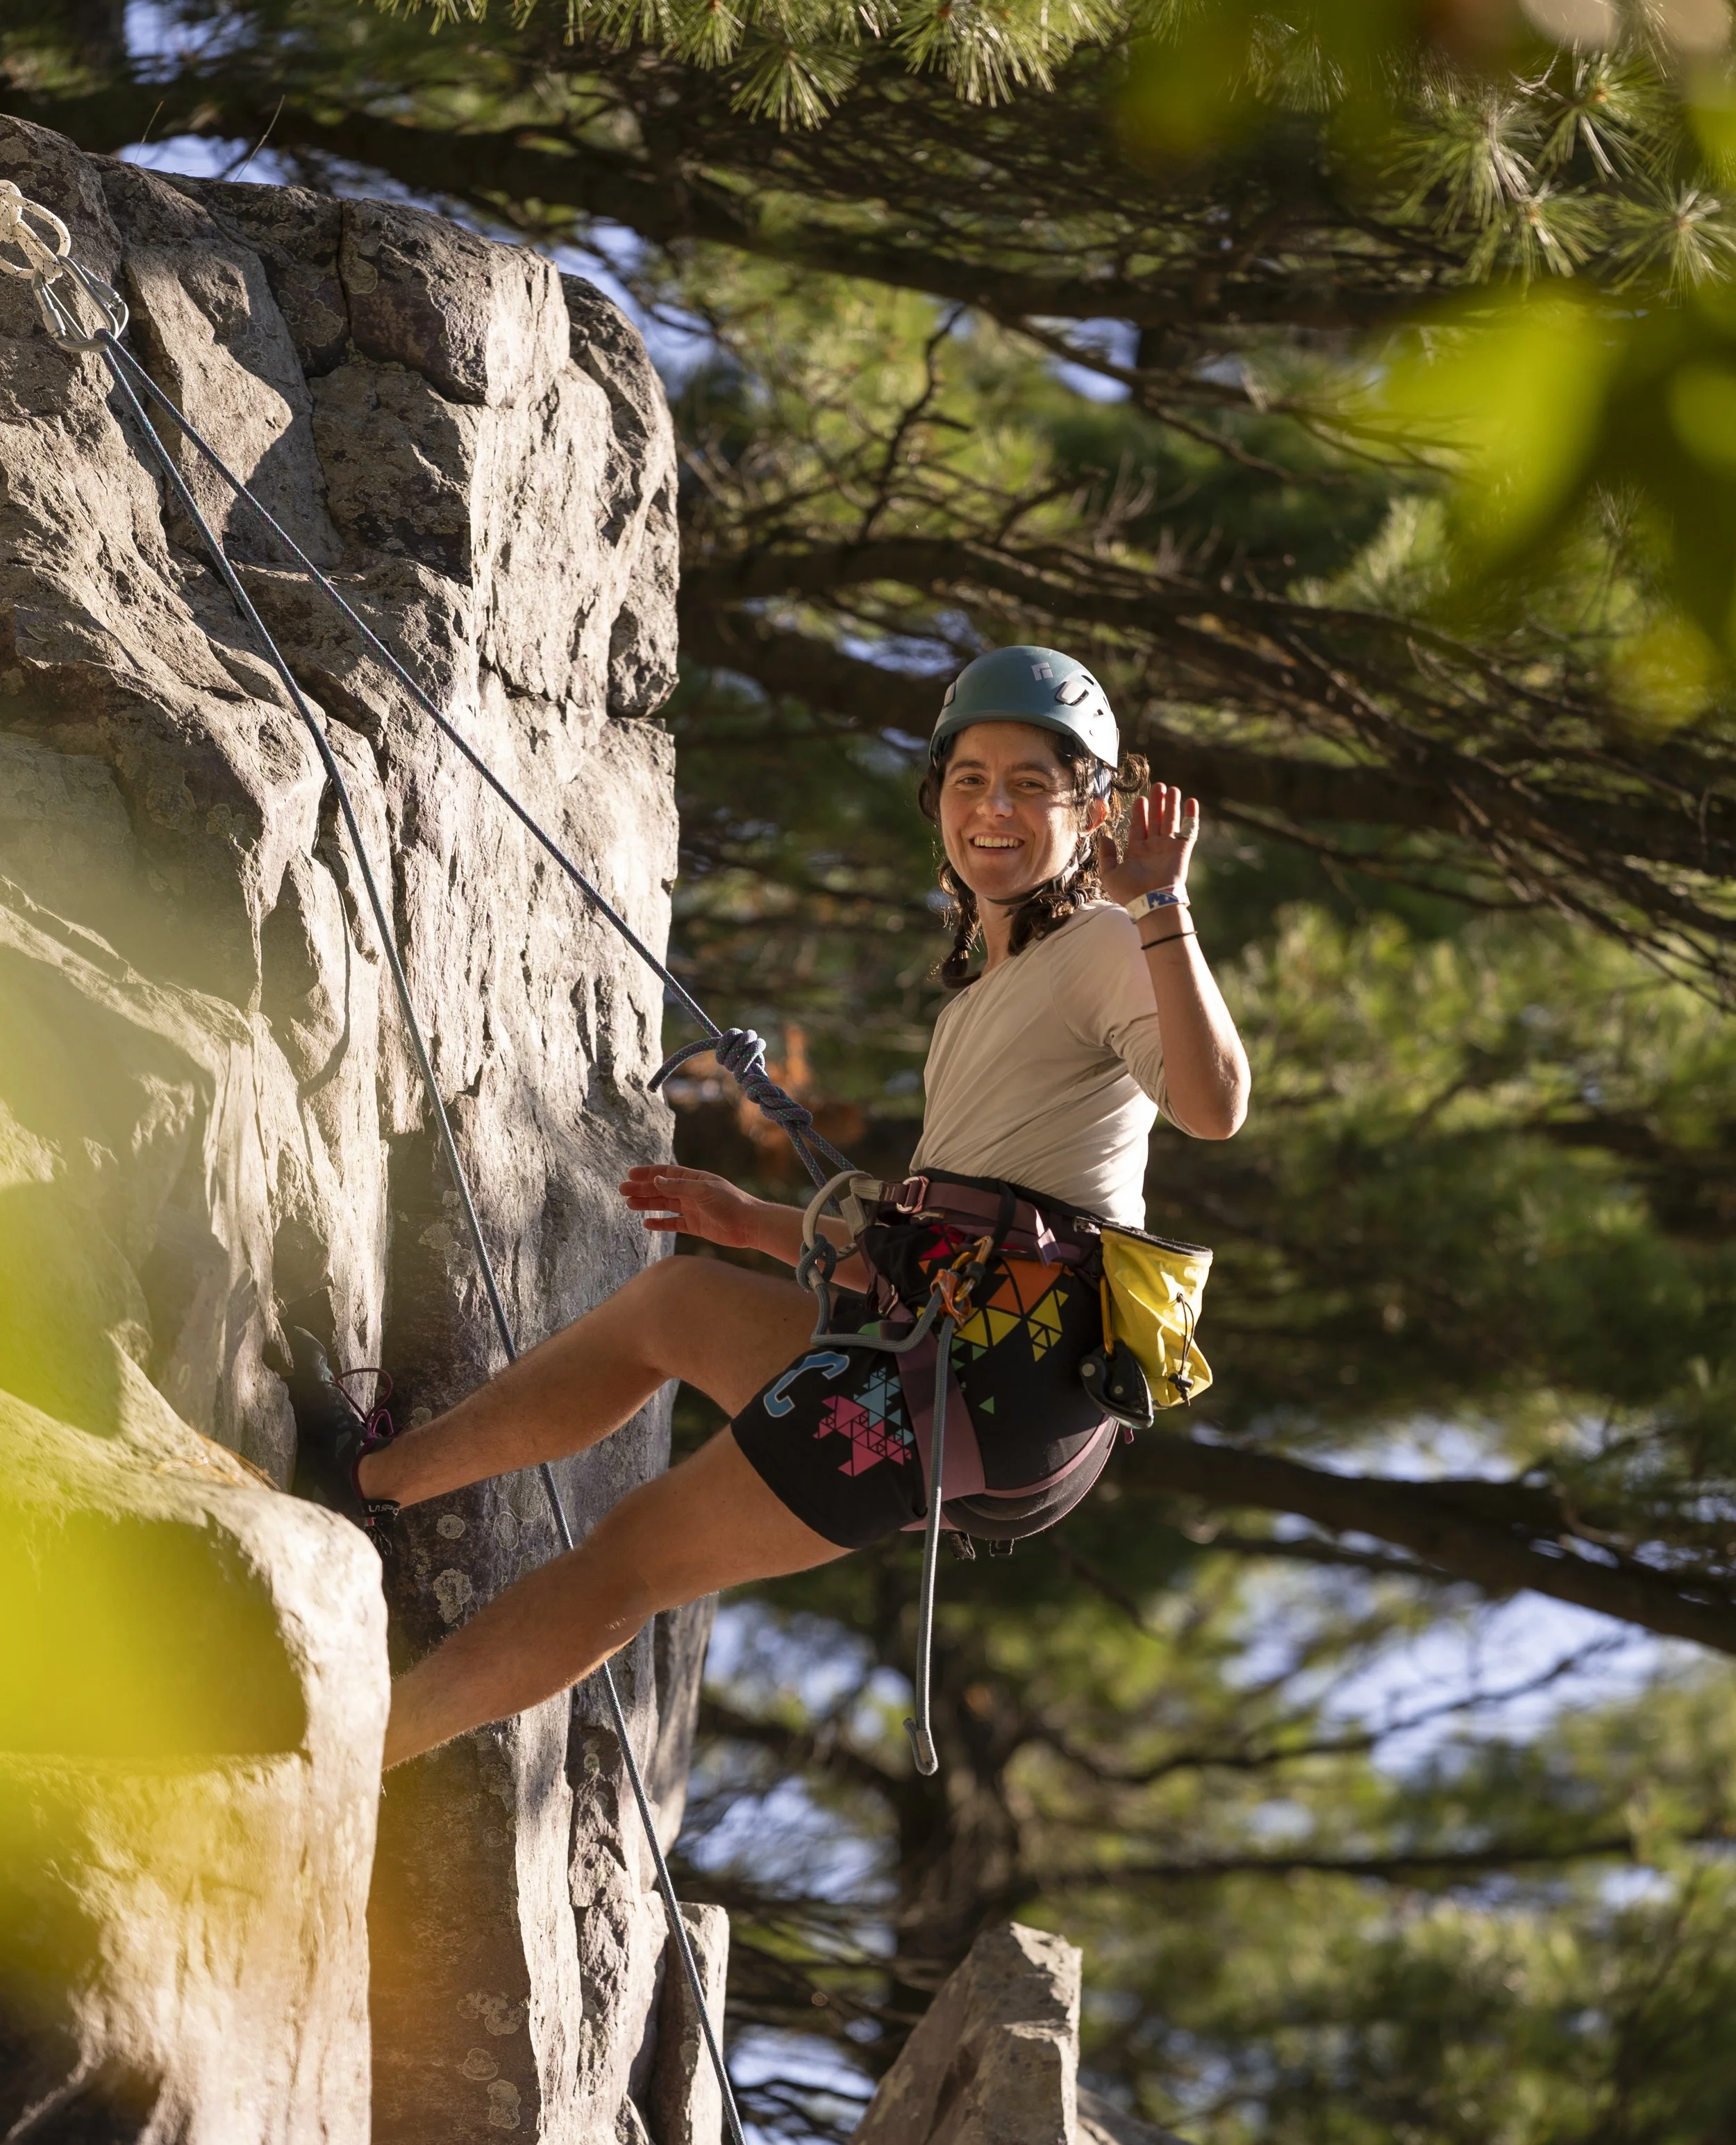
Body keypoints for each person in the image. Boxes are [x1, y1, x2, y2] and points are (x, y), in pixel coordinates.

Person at [287, 646, 1250, 1769]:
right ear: (937, 796)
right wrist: (753, 1224)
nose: (993, 807)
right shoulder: (983, 1002)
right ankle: (370, 1480)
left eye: (1032, 784)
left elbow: (1214, 1104)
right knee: (677, 1304)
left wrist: (1163, 907)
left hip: (995, 1379)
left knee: (632, 1557)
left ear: (1092, 811)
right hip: (963, 1352)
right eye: (970, 778)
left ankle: (352, 1754)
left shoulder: (1100, 945)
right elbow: (947, 1252)